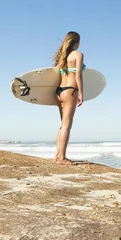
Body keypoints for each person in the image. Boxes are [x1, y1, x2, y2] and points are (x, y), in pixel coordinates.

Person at [52, 31, 85, 165]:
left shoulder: (61, 57)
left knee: (62, 125)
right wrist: (81, 93)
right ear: (76, 42)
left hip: (59, 91)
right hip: (71, 90)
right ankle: (62, 158)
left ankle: (57, 155)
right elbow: (78, 75)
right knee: (67, 125)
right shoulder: (78, 55)